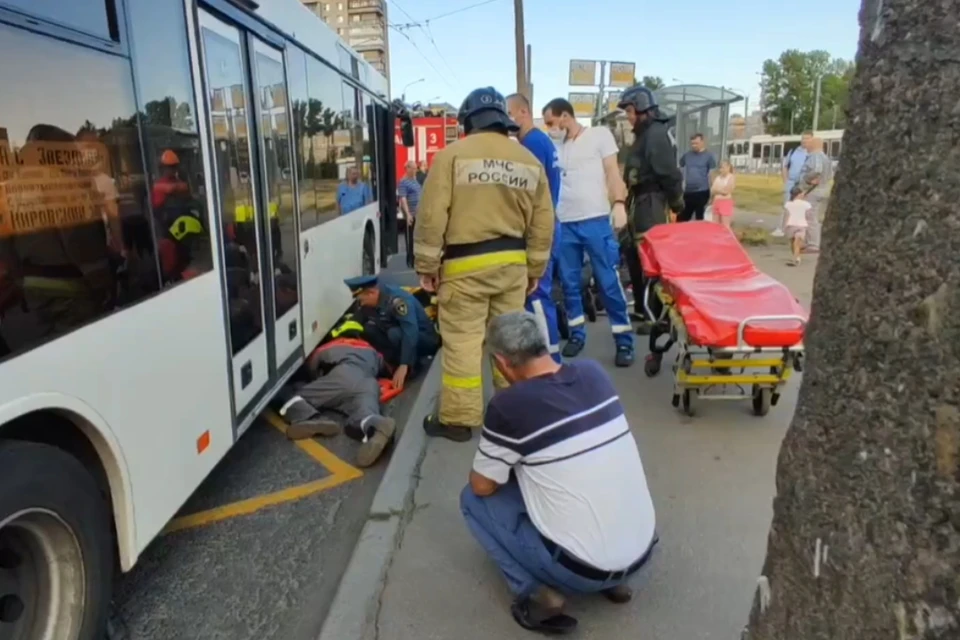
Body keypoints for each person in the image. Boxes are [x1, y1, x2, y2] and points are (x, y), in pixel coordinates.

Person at [461, 311, 658, 634]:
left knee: (472, 499)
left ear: (501, 362)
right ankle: (615, 577)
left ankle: (537, 594)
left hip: (581, 571)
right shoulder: (593, 373)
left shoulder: (509, 406)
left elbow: (482, 486)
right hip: (642, 549)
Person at [414, 86, 554, 443]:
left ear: (468, 122)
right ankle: (514, 413)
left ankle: (459, 420)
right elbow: (542, 223)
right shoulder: (528, 161)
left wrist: (427, 265)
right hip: (512, 268)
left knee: (462, 342)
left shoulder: (451, 157)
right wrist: (535, 270)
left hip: (464, 269)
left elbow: (431, 216)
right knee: (510, 342)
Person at [541, 97, 634, 367]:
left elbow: (612, 172)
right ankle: (577, 334)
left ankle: (624, 340)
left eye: (551, 122)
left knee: (608, 281)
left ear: (565, 116)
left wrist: (618, 202)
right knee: (569, 284)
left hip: (594, 220)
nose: (550, 128)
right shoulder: (557, 145)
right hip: (565, 223)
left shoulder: (599, 136)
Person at [274, 319, 396, 468]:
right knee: (362, 415)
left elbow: (311, 369)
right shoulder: (373, 352)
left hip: (341, 377)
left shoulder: (330, 347)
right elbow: (387, 370)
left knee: (290, 394)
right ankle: (377, 424)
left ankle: (311, 417)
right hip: (369, 382)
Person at [616, 85, 684, 337]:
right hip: (640, 203)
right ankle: (646, 310)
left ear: (643, 109)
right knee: (633, 255)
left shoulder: (656, 134)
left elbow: (669, 174)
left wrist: (677, 204)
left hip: (653, 204)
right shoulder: (645, 135)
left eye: (630, 111)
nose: (628, 116)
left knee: (651, 261)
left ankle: (658, 316)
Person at [506, 92, 562, 363]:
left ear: (523, 112)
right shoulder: (541, 141)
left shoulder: (531, 145)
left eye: (510, 113)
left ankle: (550, 359)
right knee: (539, 293)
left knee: (537, 294)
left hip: (540, 228)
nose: (507, 119)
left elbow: (530, 194)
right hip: (549, 224)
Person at [344, 274, 439, 391]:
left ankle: (412, 367)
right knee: (368, 329)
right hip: (401, 335)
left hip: (424, 339)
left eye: (362, 300)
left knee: (394, 333)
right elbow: (356, 321)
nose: (361, 304)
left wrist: (405, 364)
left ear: (371, 293)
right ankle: (392, 365)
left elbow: (410, 332)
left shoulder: (397, 301)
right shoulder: (373, 299)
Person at [772, 131, 812, 237]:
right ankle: (781, 228)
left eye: (807, 138)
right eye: (803, 138)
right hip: (791, 182)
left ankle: (802, 231)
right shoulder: (794, 151)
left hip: (804, 184)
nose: (804, 140)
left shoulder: (812, 153)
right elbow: (785, 166)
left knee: (802, 207)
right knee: (787, 205)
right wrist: (786, 180)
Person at [796, 136, 832, 252]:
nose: (806, 146)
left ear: (814, 145)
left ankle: (813, 244)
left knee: (810, 217)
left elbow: (817, 169)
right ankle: (811, 241)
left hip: (813, 190)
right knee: (814, 216)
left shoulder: (815, 156)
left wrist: (807, 179)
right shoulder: (826, 158)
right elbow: (830, 174)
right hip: (823, 189)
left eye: (809, 144)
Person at [678, 133, 717, 222]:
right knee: (682, 217)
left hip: (702, 191)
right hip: (688, 191)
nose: (694, 145)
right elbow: (680, 167)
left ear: (702, 142)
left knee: (700, 218)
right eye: (692, 143)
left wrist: (713, 192)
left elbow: (712, 174)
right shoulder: (687, 155)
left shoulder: (709, 156)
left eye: (696, 143)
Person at [398, 161, 421, 268]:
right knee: (410, 238)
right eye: (414, 168)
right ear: (408, 169)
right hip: (411, 214)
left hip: (418, 214)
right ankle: (410, 260)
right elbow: (403, 198)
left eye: (416, 168)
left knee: (417, 238)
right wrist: (407, 214)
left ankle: (416, 259)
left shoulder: (415, 181)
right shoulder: (403, 182)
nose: (415, 170)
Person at [783, 186, 811, 266]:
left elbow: (786, 216)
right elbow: (808, 215)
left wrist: (784, 226)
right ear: (799, 194)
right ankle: (797, 256)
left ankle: (795, 258)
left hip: (791, 225)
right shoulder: (806, 204)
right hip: (802, 225)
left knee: (793, 242)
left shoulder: (788, 204)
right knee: (797, 242)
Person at [710, 161, 736, 229]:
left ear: (728, 168)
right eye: (721, 168)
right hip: (716, 202)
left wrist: (718, 190)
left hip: (725, 202)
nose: (722, 169)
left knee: (725, 226)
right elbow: (712, 190)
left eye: (724, 167)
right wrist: (720, 190)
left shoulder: (731, 177)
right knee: (715, 225)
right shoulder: (718, 177)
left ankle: (729, 239)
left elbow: (727, 191)